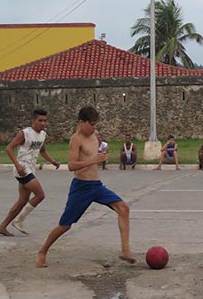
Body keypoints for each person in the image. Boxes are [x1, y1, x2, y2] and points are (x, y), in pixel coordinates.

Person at [36, 106, 134, 268]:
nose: (95, 128)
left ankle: (125, 250)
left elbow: (98, 148)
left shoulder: (94, 135)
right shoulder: (76, 139)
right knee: (65, 225)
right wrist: (94, 160)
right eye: (92, 124)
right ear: (81, 122)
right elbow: (72, 165)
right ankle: (42, 252)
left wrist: (103, 153)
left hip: (96, 185)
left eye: (96, 124)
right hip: (81, 187)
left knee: (123, 208)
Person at [0, 109, 61, 237]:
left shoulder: (43, 135)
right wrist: (17, 165)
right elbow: (9, 148)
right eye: (40, 120)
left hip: (31, 169)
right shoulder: (24, 133)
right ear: (33, 121)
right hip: (23, 170)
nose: (43, 123)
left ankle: (2, 227)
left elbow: (42, 151)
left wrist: (52, 161)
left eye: (45, 121)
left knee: (22, 200)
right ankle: (19, 221)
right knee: (40, 195)